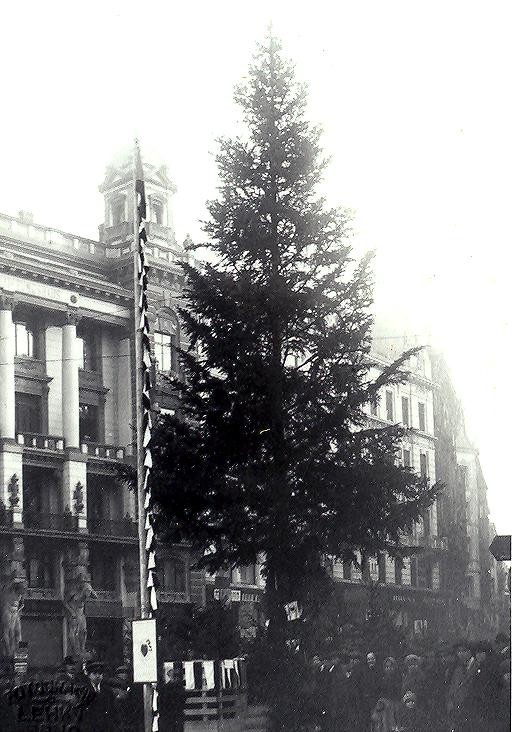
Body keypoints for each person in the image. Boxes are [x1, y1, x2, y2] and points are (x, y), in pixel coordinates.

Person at [80, 659, 118, 732]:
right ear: (89, 675)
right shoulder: (83, 690)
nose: (98, 676)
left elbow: (113, 711)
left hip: (106, 727)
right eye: (94, 673)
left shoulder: (108, 691)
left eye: (100, 673)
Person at [446, 640, 475, 732]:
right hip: (457, 709)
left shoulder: (476, 667)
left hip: (470, 707)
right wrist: (450, 702)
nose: (461, 654)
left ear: (470, 651)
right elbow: (452, 688)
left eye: (464, 650)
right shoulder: (457, 670)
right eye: (459, 651)